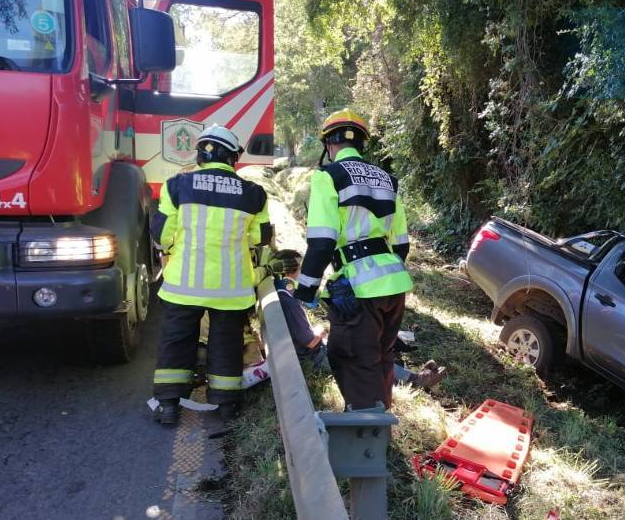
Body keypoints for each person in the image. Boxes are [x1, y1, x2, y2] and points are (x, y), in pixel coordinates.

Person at [150, 124, 276, 426]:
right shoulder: (254, 194)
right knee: (226, 344)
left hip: (183, 286)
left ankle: (168, 405)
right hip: (230, 290)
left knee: (176, 343)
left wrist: (172, 246)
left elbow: (162, 234)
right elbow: (260, 238)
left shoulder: (176, 186)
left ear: (201, 154)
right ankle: (226, 406)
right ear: (233, 158)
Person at [293, 109, 414, 410]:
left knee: (352, 358)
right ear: (362, 143)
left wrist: (306, 290)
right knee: (381, 355)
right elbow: (400, 244)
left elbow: (322, 242)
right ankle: (380, 417)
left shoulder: (327, 176)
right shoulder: (388, 180)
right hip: (394, 285)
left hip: (359, 290)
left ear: (329, 144)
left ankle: (366, 436)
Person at [273, 249, 446, 388]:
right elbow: (309, 342)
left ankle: (408, 375)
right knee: (364, 356)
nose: (305, 269)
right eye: (301, 266)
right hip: (314, 356)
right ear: (288, 271)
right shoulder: (288, 301)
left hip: (309, 351)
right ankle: (416, 380)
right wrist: (323, 329)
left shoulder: (281, 292)